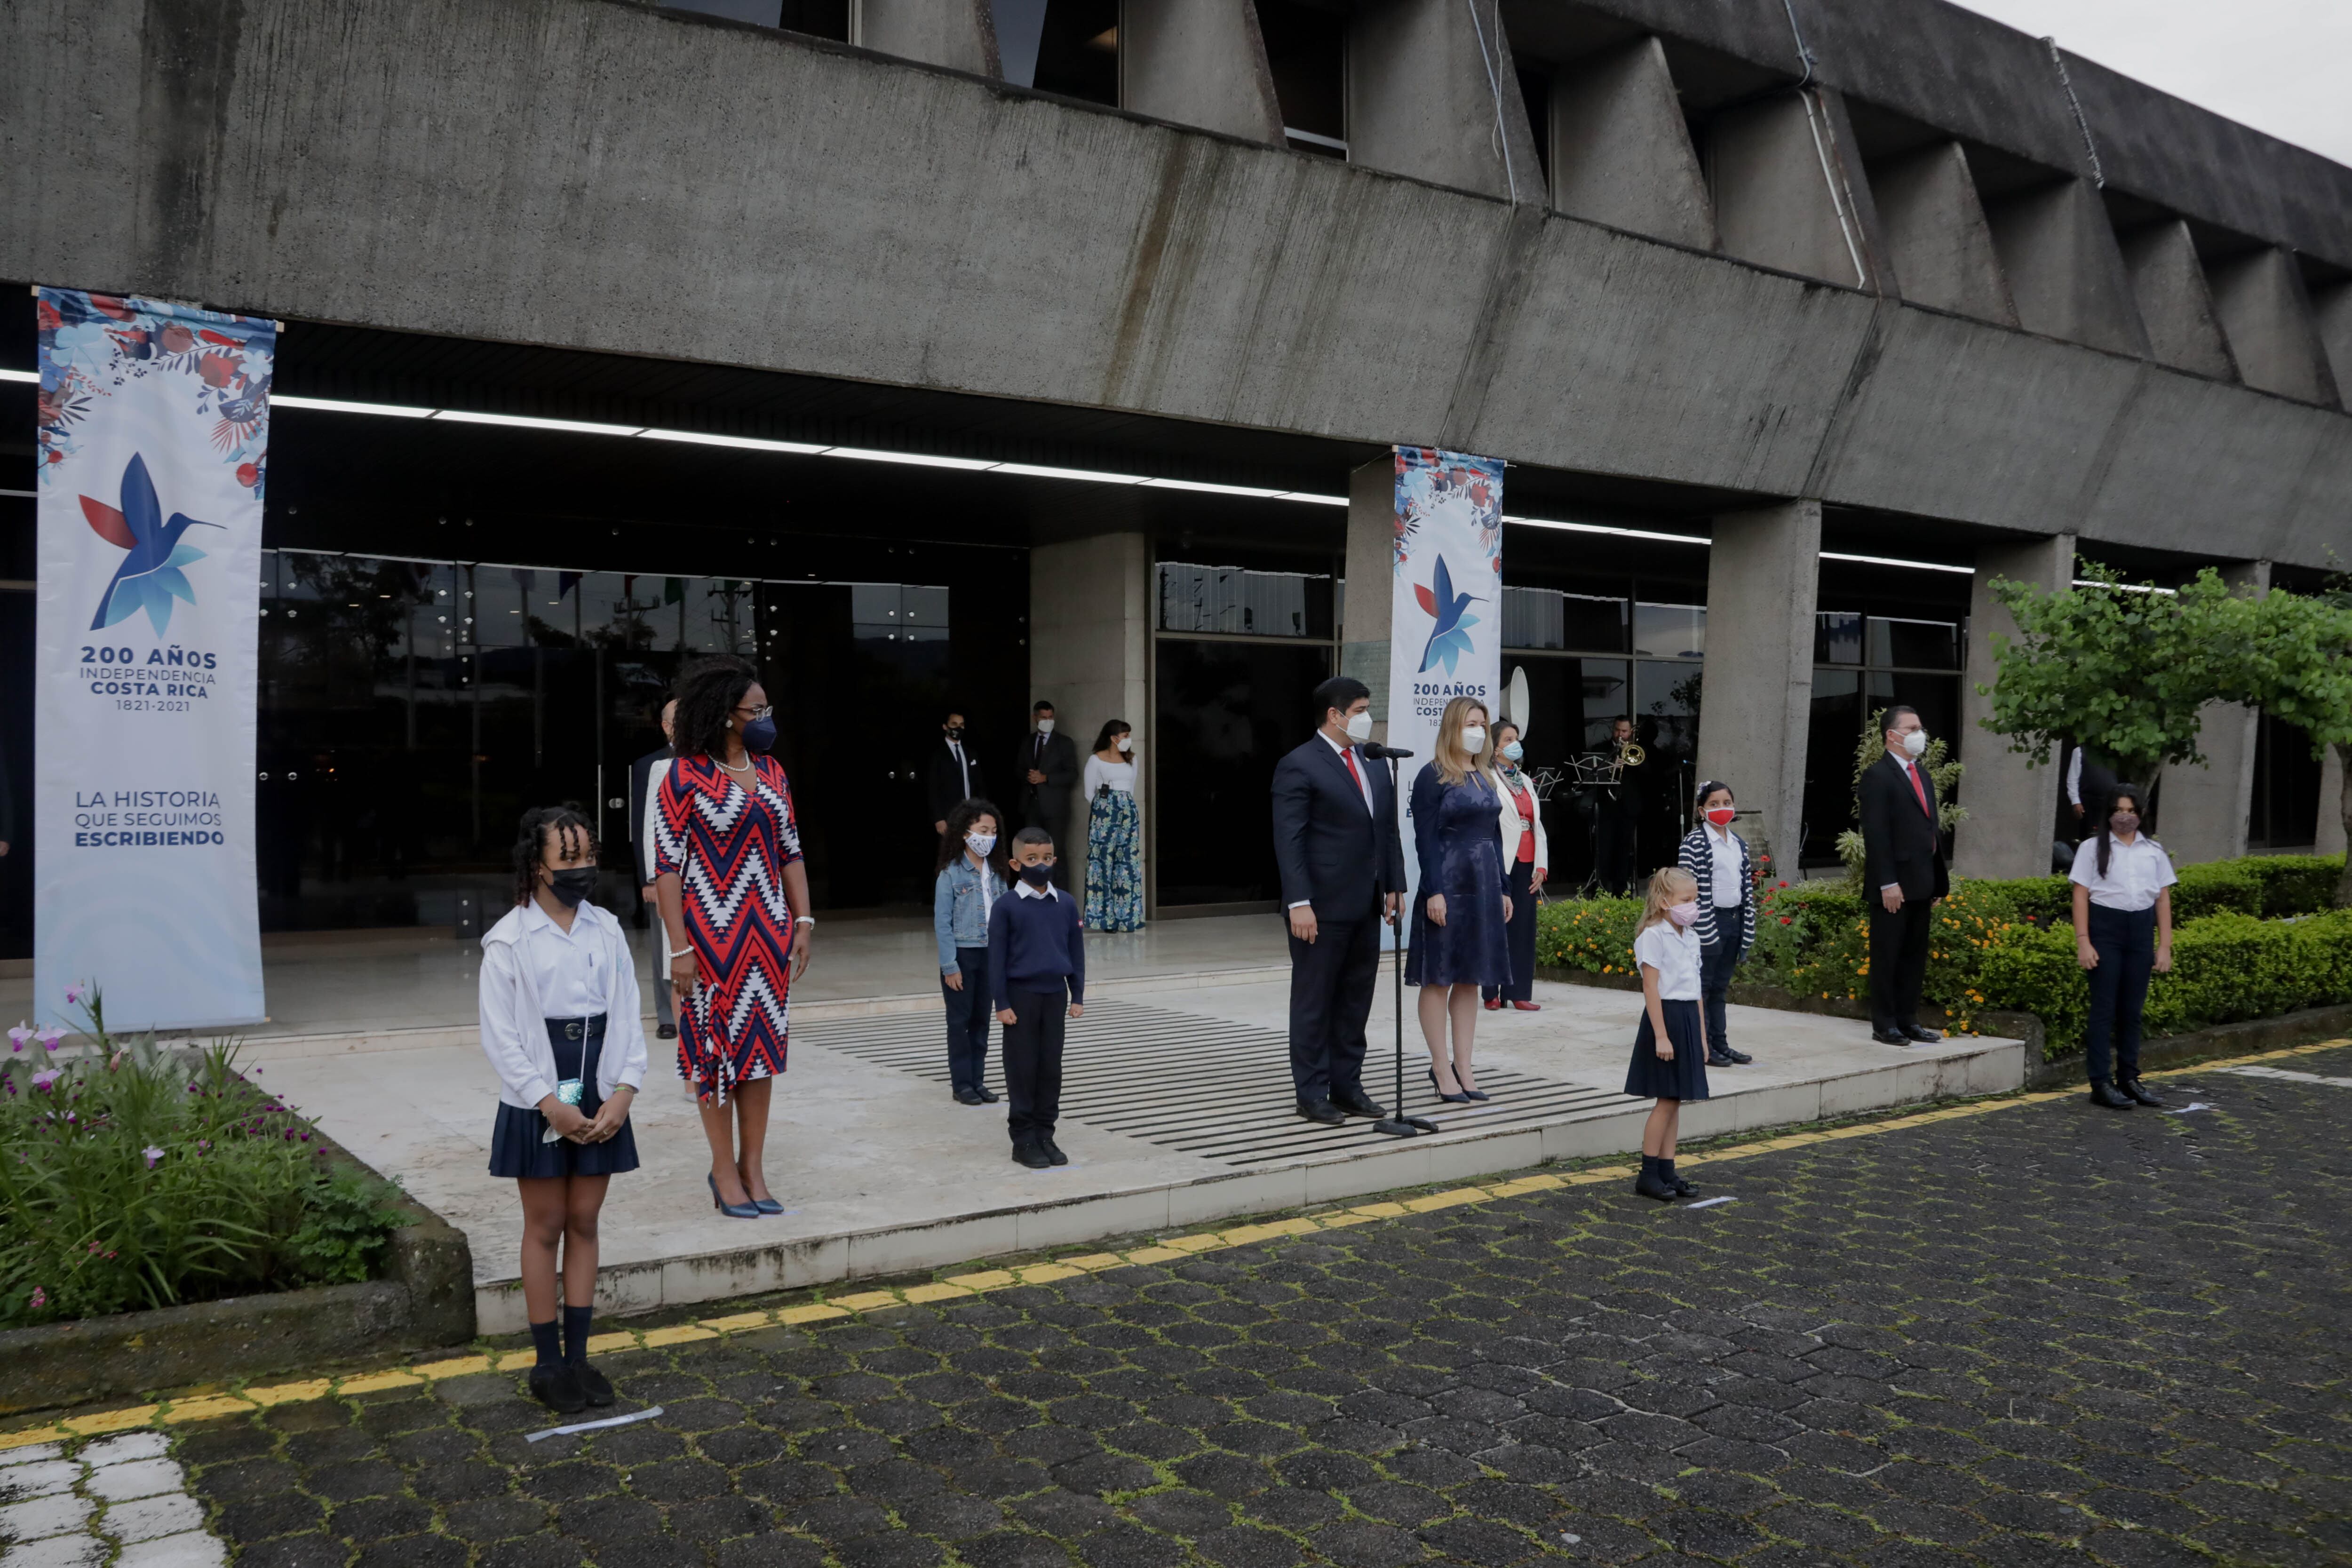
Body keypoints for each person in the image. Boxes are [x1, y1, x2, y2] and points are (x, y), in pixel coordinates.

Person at [480, 805, 645, 1413]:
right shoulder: (508, 941)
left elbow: (627, 1015)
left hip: (599, 1087)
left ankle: (579, 1358)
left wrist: (625, 1089)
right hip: (538, 1095)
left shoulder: (607, 931)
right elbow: (501, 1037)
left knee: (585, 1220)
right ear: (537, 866)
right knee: (545, 1224)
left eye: (588, 857)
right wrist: (548, 1103)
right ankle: (546, 1365)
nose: (582, 869)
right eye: (568, 859)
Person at [653, 655, 814, 1220]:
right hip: (707, 938)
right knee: (713, 1056)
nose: (766, 718)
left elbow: (789, 849)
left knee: (760, 1056)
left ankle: (754, 1167)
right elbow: (667, 867)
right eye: (756, 709)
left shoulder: (772, 773)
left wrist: (803, 920)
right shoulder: (683, 775)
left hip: (766, 935)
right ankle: (723, 1170)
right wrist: (678, 948)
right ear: (727, 715)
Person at [1270, 676, 1406, 1125]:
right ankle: (1311, 1092)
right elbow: (1290, 841)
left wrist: (1394, 883)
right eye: (1362, 708)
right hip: (1320, 907)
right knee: (1315, 1000)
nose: (1368, 717)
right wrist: (1298, 902)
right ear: (1335, 714)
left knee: (1354, 999)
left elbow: (1386, 829)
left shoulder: (1372, 761)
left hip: (1366, 902)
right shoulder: (1299, 764)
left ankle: (1348, 1085)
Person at [1408, 697, 1512, 1102]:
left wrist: (1503, 887)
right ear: (1453, 725)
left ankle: (1465, 1067)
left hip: (1484, 882)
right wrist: (1434, 889)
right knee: (1440, 977)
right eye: (1472, 722)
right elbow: (1424, 839)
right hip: (1448, 883)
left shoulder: (1487, 775)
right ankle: (1440, 1066)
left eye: (1483, 723)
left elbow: (1496, 835)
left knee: (1470, 979)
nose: (1478, 729)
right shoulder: (1432, 775)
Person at [2070, 784, 2175, 1110]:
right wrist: (2084, 941)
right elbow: (2080, 895)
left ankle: (2129, 1078)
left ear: (2141, 814)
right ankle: (2100, 1082)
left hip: (2140, 931)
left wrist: (2165, 946)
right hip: (2106, 930)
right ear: (2109, 813)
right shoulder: (2091, 848)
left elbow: (2163, 899)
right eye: (2119, 810)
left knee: (2132, 1011)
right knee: (2104, 1010)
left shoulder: (2154, 851)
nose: (2125, 817)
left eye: (2131, 811)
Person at [990, 827, 1085, 1169]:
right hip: (1021, 996)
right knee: (1022, 1067)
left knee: (1050, 1068)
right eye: (1032, 859)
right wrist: (1001, 1003)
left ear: (1055, 859)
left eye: (1046, 858)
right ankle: (1024, 1138)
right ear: (1016, 863)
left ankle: (1046, 1133)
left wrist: (1078, 994)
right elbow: (996, 959)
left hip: (1055, 995)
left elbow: (1076, 951)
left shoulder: (1066, 903)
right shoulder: (1006, 907)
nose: (1040, 865)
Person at [1859, 704, 1948, 1046]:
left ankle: (1909, 1019)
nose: (1919, 734)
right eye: (1912, 729)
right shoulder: (1877, 776)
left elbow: (1931, 829)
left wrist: (1938, 879)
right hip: (1892, 885)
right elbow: (1877, 834)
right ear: (1891, 736)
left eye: (1920, 727)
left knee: (1914, 955)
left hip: (1922, 881)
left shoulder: (1921, 774)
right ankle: (1885, 1024)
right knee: (1888, 954)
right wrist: (1887, 881)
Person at [1624, 866, 1707, 1202]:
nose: (1693, 906)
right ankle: (1648, 1173)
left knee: (1676, 1099)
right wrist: (1661, 1034)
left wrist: (1702, 1037)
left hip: (1687, 1017)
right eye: (1686, 900)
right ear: (1663, 901)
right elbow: (1651, 988)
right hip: (1666, 1019)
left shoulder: (1692, 936)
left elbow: (1698, 991)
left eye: (1695, 899)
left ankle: (1668, 1170)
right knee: (1665, 1099)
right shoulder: (1653, 936)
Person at [934, 797, 1009, 1106]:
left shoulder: (999, 872)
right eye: (983, 830)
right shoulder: (950, 874)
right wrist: (950, 965)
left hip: (991, 955)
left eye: (993, 831)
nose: (988, 837)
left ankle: (978, 1081)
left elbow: (1007, 917)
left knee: (982, 1021)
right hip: (963, 956)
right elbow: (942, 923)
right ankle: (962, 1083)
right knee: (959, 1021)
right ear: (965, 833)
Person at [1678, 780, 1756, 1067]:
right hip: (1708, 922)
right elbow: (1685, 889)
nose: (1721, 809)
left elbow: (1746, 886)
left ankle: (1721, 1043)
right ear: (1702, 811)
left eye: (1726, 803)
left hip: (1734, 919)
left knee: (1720, 988)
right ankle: (1705, 1047)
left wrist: (1747, 925)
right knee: (1704, 986)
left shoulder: (1738, 843)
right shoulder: (1695, 842)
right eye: (1714, 804)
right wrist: (1700, 926)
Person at [1482, 720, 1548, 1013]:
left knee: (1523, 929)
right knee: (1496, 926)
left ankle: (1519, 991)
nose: (1514, 743)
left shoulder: (1526, 780)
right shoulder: (1486, 778)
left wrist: (1542, 866)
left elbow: (1537, 825)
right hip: (1499, 861)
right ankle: (1491, 991)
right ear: (1495, 747)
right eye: (1508, 739)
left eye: (1516, 738)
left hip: (1527, 861)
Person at [627, 698, 679, 1040]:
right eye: (678, 719)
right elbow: (643, 823)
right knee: (664, 947)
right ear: (664, 725)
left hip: (701, 874)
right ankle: (667, 1015)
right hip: (662, 872)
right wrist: (648, 877)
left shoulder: (713, 759)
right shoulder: (651, 765)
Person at [1083, 720, 1144, 932]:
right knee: (1103, 861)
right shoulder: (1096, 760)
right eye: (1125, 735)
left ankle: (1127, 917)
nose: (1128, 739)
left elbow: (1132, 787)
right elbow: (1089, 793)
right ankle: (1105, 918)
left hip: (1127, 813)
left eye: (1129, 735)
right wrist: (1106, 809)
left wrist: (1124, 808)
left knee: (1127, 862)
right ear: (1113, 738)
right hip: (1104, 814)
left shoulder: (1131, 759)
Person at [1013, 700, 1080, 885]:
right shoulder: (1027, 742)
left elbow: (1072, 774)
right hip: (1032, 806)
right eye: (1044, 718)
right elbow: (1018, 769)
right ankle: (1034, 892)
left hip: (1055, 808)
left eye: (1051, 718)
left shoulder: (1064, 743)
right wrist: (1029, 776)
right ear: (1035, 718)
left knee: (1055, 853)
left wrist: (1046, 778)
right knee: (1031, 852)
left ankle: (1060, 898)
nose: (1048, 721)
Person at [1593, 716, 1643, 895]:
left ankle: (1621, 892)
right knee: (1604, 851)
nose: (1620, 735)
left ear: (1630, 733)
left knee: (1624, 852)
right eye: (1617, 730)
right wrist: (1610, 766)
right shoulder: (1600, 750)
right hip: (1607, 808)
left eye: (1624, 731)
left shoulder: (1637, 752)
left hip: (1628, 809)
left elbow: (1649, 775)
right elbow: (1592, 774)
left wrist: (1629, 759)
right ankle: (1603, 890)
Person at [928, 710, 989, 838]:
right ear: (945, 726)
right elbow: (933, 788)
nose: (958, 728)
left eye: (961, 725)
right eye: (954, 724)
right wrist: (939, 818)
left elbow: (979, 784)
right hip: (949, 815)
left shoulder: (971, 753)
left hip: (971, 814)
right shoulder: (937, 755)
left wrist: (982, 812)